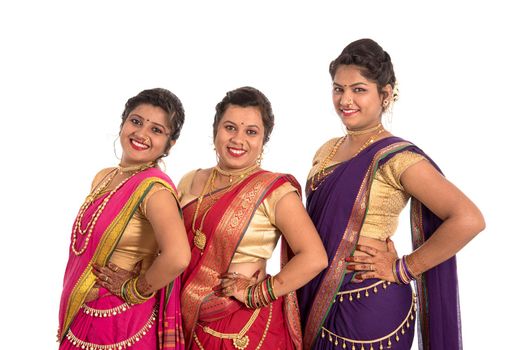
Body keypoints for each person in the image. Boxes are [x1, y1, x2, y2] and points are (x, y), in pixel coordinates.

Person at [299, 39, 485, 350]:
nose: (345, 99)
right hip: (318, 293)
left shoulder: (396, 157)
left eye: (359, 89)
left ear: (385, 94)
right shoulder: (326, 149)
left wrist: (403, 268)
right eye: (338, 88)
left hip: (369, 303)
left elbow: (469, 219)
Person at [178, 86, 328, 349]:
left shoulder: (274, 191)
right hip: (188, 316)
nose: (238, 139)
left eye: (251, 132)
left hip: (243, 323)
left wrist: (258, 292)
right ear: (215, 131)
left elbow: (314, 257)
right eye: (230, 127)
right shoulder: (191, 179)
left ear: (263, 140)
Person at [57, 88, 191, 349]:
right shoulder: (104, 177)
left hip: (121, 322)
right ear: (123, 123)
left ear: (169, 144)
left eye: (156, 130)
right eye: (136, 121)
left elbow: (178, 256)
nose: (141, 134)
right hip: (85, 313)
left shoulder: (155, 190)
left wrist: (135, 289)